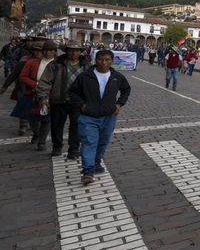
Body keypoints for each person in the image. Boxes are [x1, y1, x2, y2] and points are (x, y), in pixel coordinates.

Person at [68, 49, 131, 185]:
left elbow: (126, 90)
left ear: (112, 61)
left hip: (109, 116)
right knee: (89, 142)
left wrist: (119, 104)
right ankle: (88, 171)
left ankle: (96, 162)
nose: (104, 63)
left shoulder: (117, 77)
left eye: (107, 60)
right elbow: (73, 92)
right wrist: (82, 105)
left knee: (103, 142)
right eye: (101, 59)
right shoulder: (85, 76)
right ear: (95, 60)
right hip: (88, 116)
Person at [36, 41, 88, 158]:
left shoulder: (86, 65)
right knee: (57, 126)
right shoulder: (56, 64)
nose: (73, 53)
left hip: (77, 102)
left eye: (76, 50)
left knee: (76, 126)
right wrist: (44, 97)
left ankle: (74, 149)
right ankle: (57, 147)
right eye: (70, 50)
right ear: (66, 51)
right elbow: (45, 81)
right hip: (59, 100)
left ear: (80, 52)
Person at [17, 40, 58, 150]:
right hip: (33, 94)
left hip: (50, 96)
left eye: (50, 50)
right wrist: (36, 84)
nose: (47, 53)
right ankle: (37, 133)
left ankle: (42, 141)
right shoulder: (32, 62)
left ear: (55, 52)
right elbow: (23, 77)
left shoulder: (59, 64)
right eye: (45, 50)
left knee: (46, 119)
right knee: (32, 119)